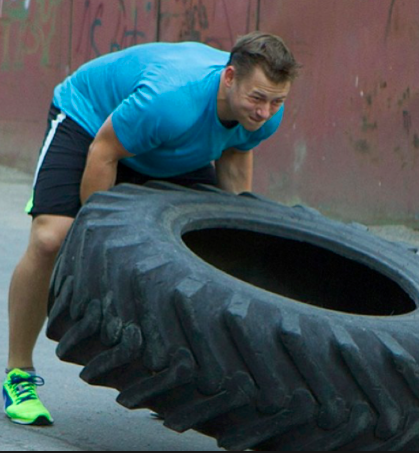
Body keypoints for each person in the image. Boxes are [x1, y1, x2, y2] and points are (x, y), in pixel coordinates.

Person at [3, 31, 299, 425]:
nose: (265, 111)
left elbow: (234, 154)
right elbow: (105, 152)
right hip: (91, 125)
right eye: (257, 98)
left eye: (276, 101)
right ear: (229, 78)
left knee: (209, 251)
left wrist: (235, 239)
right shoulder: (172, 98)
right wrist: (93, 247)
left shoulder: (264, 115)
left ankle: (177, 384)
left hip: (168, 147)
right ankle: (17, 374)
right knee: (51, 239)